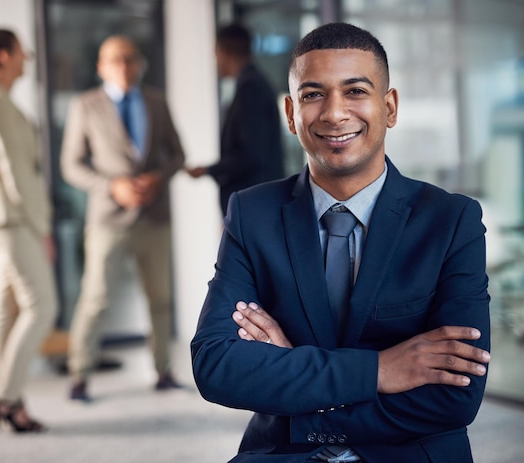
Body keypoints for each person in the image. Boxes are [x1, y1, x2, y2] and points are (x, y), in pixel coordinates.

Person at [191, 22, 491, 463]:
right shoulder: (252, 214)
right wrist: (380, 370)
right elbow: (217, 365)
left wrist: (299, 386)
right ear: (292, 114)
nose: (334, 113)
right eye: (314, 95)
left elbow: (455, 396)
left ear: (389, 107)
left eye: (355, 91)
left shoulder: (451, 220)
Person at [61, 35, 186, 401]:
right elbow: (70, 165)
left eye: (130, 59)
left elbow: (178, 154)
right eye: (115, 60)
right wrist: (110, 186)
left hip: (155, 215)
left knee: (161, 298)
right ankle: (79, 374)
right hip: (108, 218)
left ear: (140, 63)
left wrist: (158, 176)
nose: (123, 66)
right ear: (101, 67)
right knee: (95, 298)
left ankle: (163, 370)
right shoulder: (85, 106)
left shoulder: (157, 102)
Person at [0, 29, 57, 432]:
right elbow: (16, 173)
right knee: (42, 306)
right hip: (14, 220)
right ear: (5, 56)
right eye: (22, 53)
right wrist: (43, 227)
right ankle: (5, 398)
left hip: (0, 218)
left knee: (6, 309)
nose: (27, 59)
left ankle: (9, 396)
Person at [186, 23, 285, 216]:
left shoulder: (251, 87)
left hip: (254, 205)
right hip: (257, 202)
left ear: (222, 51)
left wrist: (209, 170)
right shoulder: (253, 83)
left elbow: (251, 154)